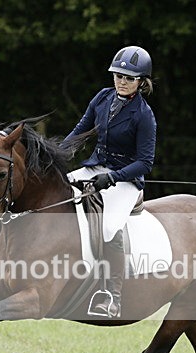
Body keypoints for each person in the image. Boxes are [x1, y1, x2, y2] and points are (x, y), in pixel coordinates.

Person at [64, 45, 157, 318]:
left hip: (125, 179)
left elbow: (145, 162)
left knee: (109, 228)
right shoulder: (103, 98)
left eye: (129, 78)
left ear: (141, 81)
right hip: (95, 168)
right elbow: (80, 131)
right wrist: (55, 154)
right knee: (57, 193)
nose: (122, 81)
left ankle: (111, 295)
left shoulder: (144, 115)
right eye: (118, 75)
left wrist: (114, 177)